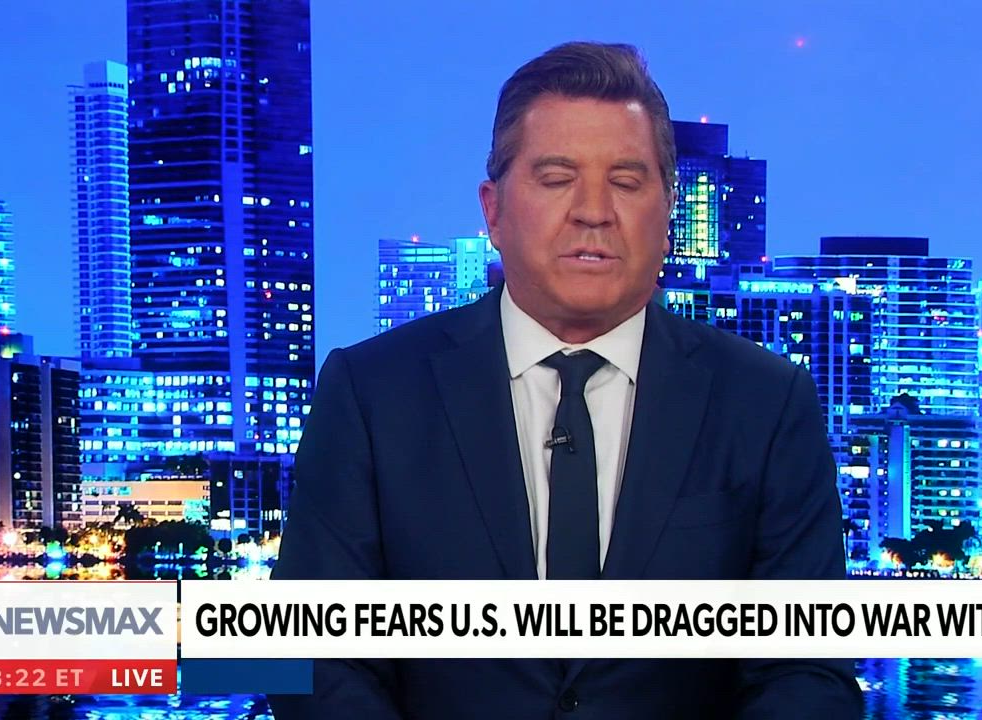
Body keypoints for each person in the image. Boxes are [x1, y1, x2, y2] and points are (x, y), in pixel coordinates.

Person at [269, 41, 863, 720]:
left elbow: (808, 670)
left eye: (627, 182)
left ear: (669, 211)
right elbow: (306, 656)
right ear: (493, 211)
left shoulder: (766, 402)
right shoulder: (371, 393)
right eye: (556, 178)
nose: (593, 210)